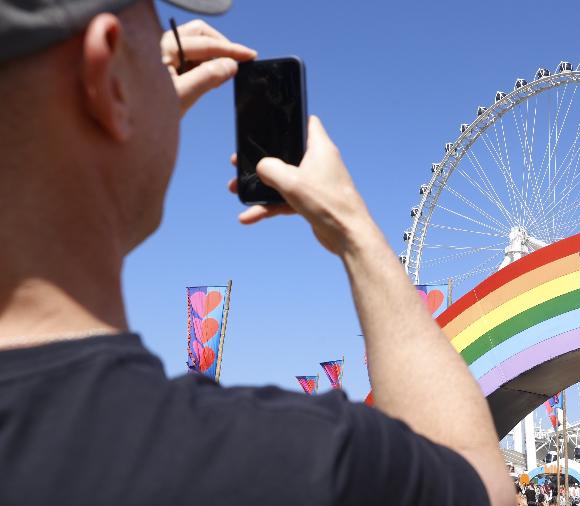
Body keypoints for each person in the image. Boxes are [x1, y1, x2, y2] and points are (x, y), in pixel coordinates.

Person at [0, 1, 515, 505]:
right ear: (109, 74)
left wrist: (111, 133)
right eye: (162, 27)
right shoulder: (295, 460)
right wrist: (353, 231)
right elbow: (486, 487)